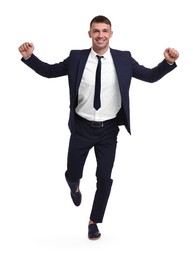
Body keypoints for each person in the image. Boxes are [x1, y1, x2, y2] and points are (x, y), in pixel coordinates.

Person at [18, 15, 179, 240]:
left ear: (111, 34)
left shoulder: (123, 59)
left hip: (108, 130)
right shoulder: (77, 58)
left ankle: (94, 221)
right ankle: (74, 185)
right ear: (89, 34)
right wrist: (29, 57)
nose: (100, 35)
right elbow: (49, 71)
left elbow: (150, 76)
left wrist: (167, 62)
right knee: (73, 171)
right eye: (96, 31)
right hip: (81, 127)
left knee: (104, 177)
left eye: (105, 31)